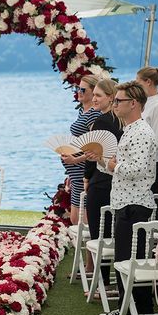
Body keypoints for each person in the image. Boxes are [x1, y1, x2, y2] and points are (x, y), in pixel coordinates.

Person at [98, 81, 157, 315]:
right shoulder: (130, 129)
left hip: (135, 204)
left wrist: (113, 164)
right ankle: (133, 307)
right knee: (127, 258)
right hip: (125, 201)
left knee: (129, 259)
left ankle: (134, 309)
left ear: (133, 103)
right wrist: (102, 160)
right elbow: (121, 169)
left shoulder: (141, 132)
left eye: (118, 101)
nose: (114, 105)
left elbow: (137, 169)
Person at [83, 79, 122, 285]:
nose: (94, 98)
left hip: (101, 181)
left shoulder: (100, 122)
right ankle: (109, 279)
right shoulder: (123, 121)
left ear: (111, 97)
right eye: (94, 94)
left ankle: (102, 282)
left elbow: (92, 154)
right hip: (118, 180)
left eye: (98, 95)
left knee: (100, 233)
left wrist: (87, 178)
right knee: (112, 232)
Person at [60, 75, 101, 226]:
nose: (79, 91)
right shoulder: (82, 112)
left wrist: (74, 159)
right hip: (75, 173)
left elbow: (96, 147)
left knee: (84, 221)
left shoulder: (93, 115)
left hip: (83, 171)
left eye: (83, 89)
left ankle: (89, 250)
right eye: (78, 88)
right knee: (75, 219)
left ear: (93, 92)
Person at [135, 66, 158, 194]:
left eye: (138, 82)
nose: (136, 85)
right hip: (140, 159)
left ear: (148, 82)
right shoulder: (145, 101)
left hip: (152, 163)